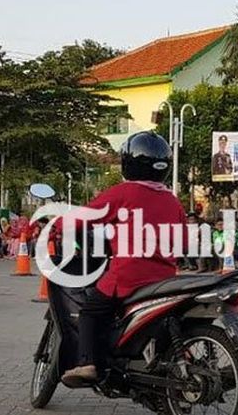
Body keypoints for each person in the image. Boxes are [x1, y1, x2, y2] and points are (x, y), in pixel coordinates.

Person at [59, 131, 187, 387]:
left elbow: (84, 216)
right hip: (163, 281)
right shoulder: (173, 201)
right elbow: (182, 244)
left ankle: (87, 364)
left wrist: (55, 225)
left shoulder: (124, 193)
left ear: (128, 163)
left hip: (127, 277)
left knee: (90, 312)